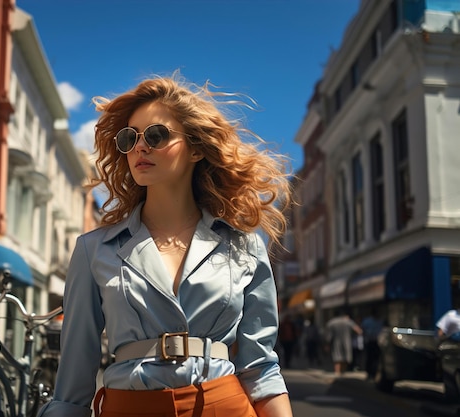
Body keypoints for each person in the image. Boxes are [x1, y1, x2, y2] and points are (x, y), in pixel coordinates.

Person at [38, 73, 293, 417]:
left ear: (197, 149)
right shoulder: (93, 249)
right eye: (130, 138)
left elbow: (260, 368)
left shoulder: (244, 246)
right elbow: (72, 387)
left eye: (156, 135)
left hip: (223, 406)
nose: (140, 147)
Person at [325, 309, 362, 376]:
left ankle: (337, 373)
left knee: (337, 358)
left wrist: (327, 344)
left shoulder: (331, 322)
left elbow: (329, 336)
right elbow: (359, 331)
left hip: (336, 343)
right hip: (347, 342)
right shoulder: (348, 321)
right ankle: (343, 373)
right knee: (345, 358)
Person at [360, 309, 383, 380]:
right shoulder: (370, 321)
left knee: (374, 358)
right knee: (371, 358)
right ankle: (370, 373)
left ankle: (373, 373)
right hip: (371, 341)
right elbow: (363, 330)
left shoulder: (380, 321)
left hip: (376, 342)